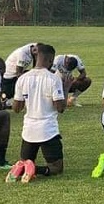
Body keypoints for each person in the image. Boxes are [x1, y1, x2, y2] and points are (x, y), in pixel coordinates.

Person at [6, 44, 66, 183]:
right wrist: (66, 88)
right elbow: (60, 108)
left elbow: (16, 108)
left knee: (26, 160)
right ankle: (36, 169)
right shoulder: (53, 78)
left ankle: (21, 167)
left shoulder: (22, 78)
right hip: (47, 130)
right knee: (57, 168)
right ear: (50, 60)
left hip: (28, 130)